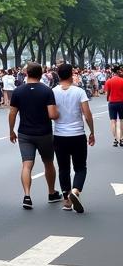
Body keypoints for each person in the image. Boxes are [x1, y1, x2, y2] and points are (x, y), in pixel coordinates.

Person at [8, 62, 61, 209]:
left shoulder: (18, 91)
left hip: (25, 133)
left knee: (27, 165)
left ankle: (27, 195)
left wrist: (11, 130)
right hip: (44, 132)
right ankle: (51, 193)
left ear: (27, 73)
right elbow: (52, 114)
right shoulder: (47, 91)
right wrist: (58, 114)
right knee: (48, 163)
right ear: (41, 74)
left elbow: (12, 113)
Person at [52, 62, 95, 213]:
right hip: (77, 135)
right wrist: (92, 132)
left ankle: (66, 201)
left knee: (63, 168)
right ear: (71, 74)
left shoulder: (53, 92)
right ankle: (75, 191)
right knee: (80, 167)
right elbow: (87, 114)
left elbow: (50, 113)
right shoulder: (79, 91)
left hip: (59, 135)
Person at [105, 64, 123, 147]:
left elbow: (107, 93)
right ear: (118, 71)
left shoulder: (109, 81)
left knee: (113, 121)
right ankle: (122, 139)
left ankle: (115, 139)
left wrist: (108, 98)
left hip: (112, 103)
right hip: (121, 102)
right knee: (122, 120)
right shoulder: (122, 80)